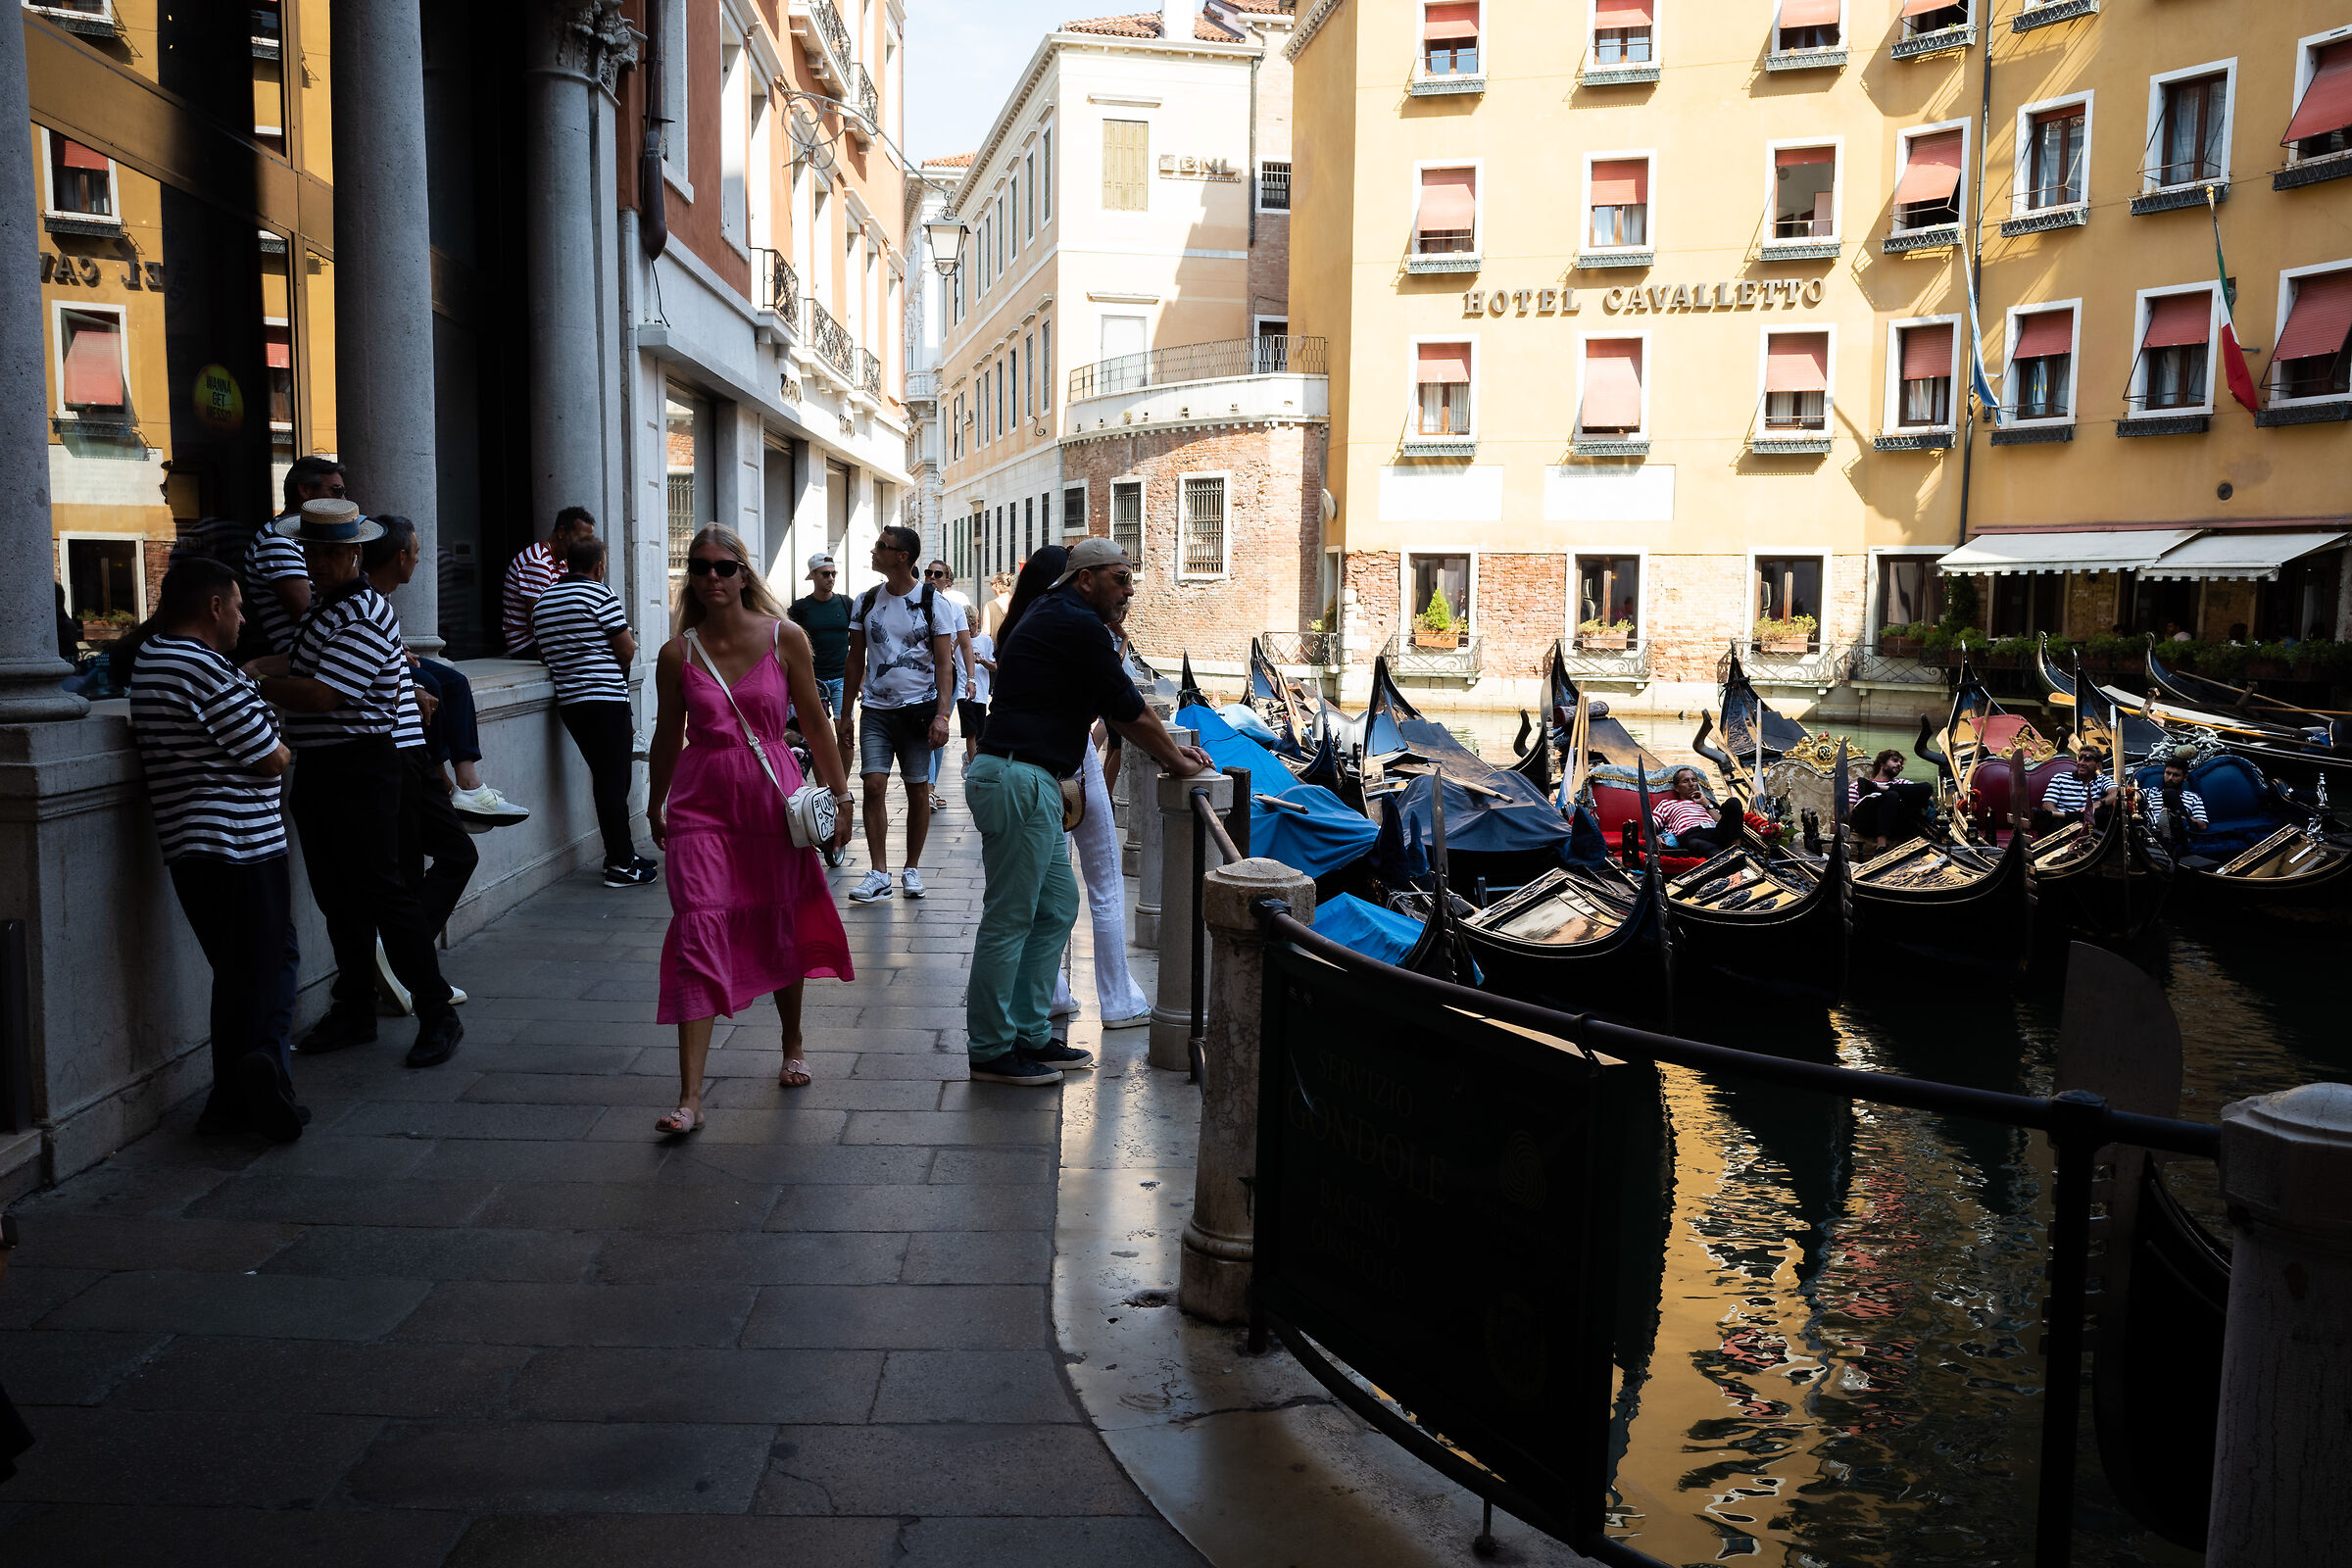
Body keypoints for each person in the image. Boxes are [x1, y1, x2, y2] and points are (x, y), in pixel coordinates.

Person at [968, 538, 1211, 1086]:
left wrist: (1170, 755)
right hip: (1018, 777)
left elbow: (1119, 706)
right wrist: (1178, 760)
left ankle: (1030, 1034)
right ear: (1086, 580)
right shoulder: (1075, 623)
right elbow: (1127, 707)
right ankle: (989, 1049)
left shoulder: (1058, 615)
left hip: (1032, 780)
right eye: (1120, 578)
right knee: (1009, 917)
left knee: (1056, 907)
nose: (1129, 589)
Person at [647, 525, 856, 1132]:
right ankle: (691, 1097)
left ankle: (792, 1041)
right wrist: (654, 803)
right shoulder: (676, 654)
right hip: (701, 807)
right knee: (698, 926)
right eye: (700, 567)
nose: (711, 577)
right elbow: (666, 737)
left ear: (744, 575)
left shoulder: (785, 638)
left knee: (778, 918)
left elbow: (815, 725)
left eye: (723, 567)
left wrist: (840, 799)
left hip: (771, 805)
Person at [247, 499, 465, 1069]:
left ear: (353, 553)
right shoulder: (324, 612)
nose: (315, 561)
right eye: (310, 550)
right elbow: (298, 668)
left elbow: (325, 694)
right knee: (336, 898)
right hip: (323, 769)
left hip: (363, 769)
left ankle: (438, 1011)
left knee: (385, 894)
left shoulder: (365, 613)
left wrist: (252, 686)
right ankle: (354, 1008)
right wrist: (248, 670)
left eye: (327, 552)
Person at [125, 557, 306, 1142]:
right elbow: (271, 755)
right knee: (271, 967)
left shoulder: (151, 661)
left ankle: (230, 1102)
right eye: (237, 605)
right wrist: (277, 743)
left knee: (238, 976)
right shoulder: (201, 666)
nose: (243, 616)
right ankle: (263, 1075)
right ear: (212, 608)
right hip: (239, 845)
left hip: (192, 845)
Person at [362, 515, 481, 976]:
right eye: (414, 551)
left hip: (409, 756)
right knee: (445, 857)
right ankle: (404, 961)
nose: (418, 558)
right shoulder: (361, 606)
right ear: (399, 557)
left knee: (419, 865)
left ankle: (406, 966)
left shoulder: (377, 607)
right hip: (396, 757)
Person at [838, 524, 957, 902]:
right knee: (872, 785)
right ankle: (878, 873)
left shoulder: (932, 602)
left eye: (882, 547)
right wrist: (844, 715)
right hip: (875, 710)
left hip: (918, 712)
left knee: (917, 788)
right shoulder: (867, 599)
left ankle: (912, 868)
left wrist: (942, 716)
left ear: (901, 556)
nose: (874, 551)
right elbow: (855, 658)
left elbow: (944, 664)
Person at [532, 536, 656, 886]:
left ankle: (623, 854)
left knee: (607, 777)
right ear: (599, 566)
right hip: (604, 698)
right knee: (613, 780)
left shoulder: (543, 601)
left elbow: (545, 652)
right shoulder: (600, 594)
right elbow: (627, 649)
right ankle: (620, 863)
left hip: (571, 703)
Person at [241, 455, 343, 658]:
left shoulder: (302, 540)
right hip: (312, 659)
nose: (344, 501)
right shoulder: (276, 541)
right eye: (336, 492)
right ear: (305, 490)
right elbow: (310, 619)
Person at [502, 505, 598, 658]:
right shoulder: (538, 562)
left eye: (588, 540)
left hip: (545, 639)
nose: (586, 546)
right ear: (561, 532)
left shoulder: (563, 562)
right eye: (581, 539)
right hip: (526, 644)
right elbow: (535, 622)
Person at [922, 560, 979, 810]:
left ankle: (930, 787)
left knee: (940, 728)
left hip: (948, 678)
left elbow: (966, 644)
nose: (932, 577)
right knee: (927, 731)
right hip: (921, 676)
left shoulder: (954, 608)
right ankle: (928, 789)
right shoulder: (916, 603)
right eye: (929, 573)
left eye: (938, 574)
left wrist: (971, 678)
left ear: (948, 581)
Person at [785, 552, 851, 717]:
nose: (831, 578)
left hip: (842, 678)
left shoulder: (846, 603)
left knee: (845, 730)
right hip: (813, 679)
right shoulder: (800, 608)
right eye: (825, 574)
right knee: (815, 734)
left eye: (833, 573)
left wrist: (861, 678)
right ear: (813, 575)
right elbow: (787, 644)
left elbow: (859, 642)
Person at [1846, 749, 1931, 850]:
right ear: (1882, 763)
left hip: (1897, 824)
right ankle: (1881, 846)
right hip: (1868, 823)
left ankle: (1881, 788)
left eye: (1901, 763)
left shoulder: (1903, 783)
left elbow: (1928, 795)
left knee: (1926, 787)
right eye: (1895, 760)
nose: (1899, 764)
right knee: (1891, 795)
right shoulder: (1859, 785)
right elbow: (1849, 813)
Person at [1651, 766, 1736, 857]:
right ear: (1676, 788)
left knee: (1733, 802)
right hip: (1691, 833)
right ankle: (1729, 860)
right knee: (1705, 847)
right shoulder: (1667, 804)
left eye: (1694, 780)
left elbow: (1721, 822)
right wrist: (1653, 837)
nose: (1691, 784)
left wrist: (1706, 803)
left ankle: (1736, 849)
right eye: (1685, 781)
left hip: (1715, 830)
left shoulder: (1707, 804)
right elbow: (1650, 825)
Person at [2034, 751, 2116, 837]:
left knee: (2101, 813)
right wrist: (2067, 820)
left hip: (2087, 823)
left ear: (2098, 765)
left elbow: (2115, 792)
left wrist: (2098, 803)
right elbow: (2047, 805)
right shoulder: (2060, 778)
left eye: (2087, 759)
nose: (2081, 763)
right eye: (2080, 758)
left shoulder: (2102, 780)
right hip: (2062, 825)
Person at [2149, 754, 2209, 852]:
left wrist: (2180, 817)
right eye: (2168, 773)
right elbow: (2132, 796)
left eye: (2176, 775)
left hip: (2180, 835)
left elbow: (2202, 825)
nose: (2170, 778)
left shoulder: (2193, 797)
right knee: (2168, 793)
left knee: (2170, 795)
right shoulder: (2151, 792)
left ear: (2185, 778)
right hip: (2154, 836)